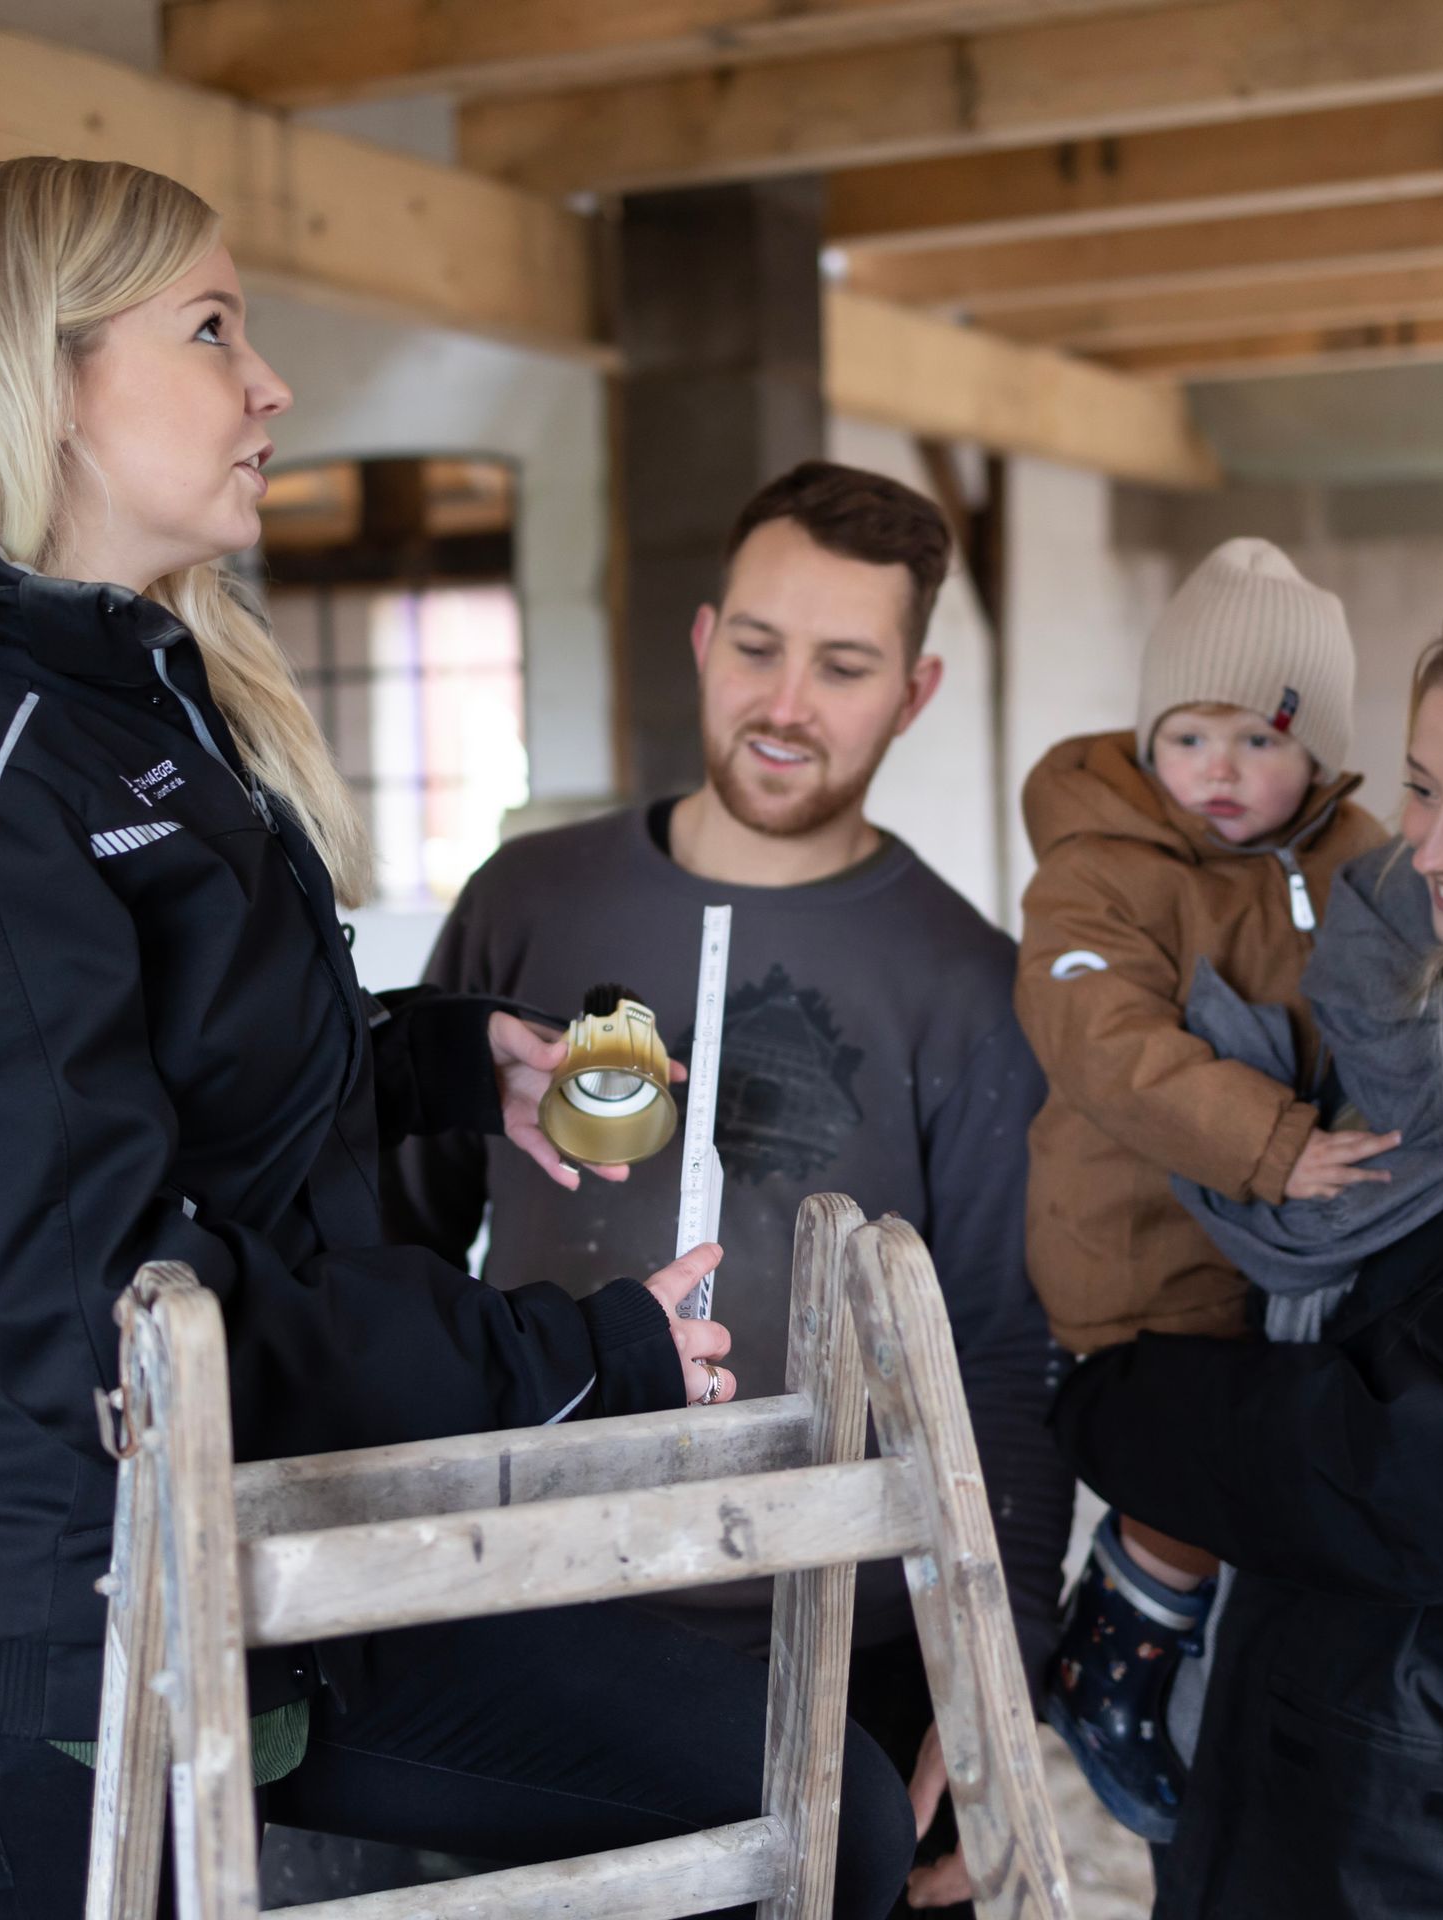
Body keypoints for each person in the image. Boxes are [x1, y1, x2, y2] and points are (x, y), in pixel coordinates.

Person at [0, 157, 913, 1919]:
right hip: (60, 1651)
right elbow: (107, 1317)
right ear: (41, 370)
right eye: (212, 328)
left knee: (809, 1790)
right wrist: (562, 1359)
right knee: (795, 1802)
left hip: (270, 1567)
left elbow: (191, 1085)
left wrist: (454, 1063)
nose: (270, 383)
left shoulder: (117, 694)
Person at [385, 459, 1071, 1914]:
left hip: (851, 1634)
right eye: (758, 647)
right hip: (534, 1595)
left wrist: (988, 1648)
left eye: (843, 667)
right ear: (703, 641)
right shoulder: (530, 898)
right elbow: (404, 1225)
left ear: (914, 691)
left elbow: (1005, 1344)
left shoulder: (965, 983)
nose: (785, 703)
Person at [1055, 570, 1443, 1918]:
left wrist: (1125, 1407)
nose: (1434, 848)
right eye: (1420, 788)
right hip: (1277, 1703)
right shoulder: (1392, 985)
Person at [1010, 538, 1390, 1843]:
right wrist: (1272, 1143)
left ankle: (1206, 1688)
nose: (1218, 772)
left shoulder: (1357, 861)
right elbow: (1104, 1042)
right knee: (1200, 1468)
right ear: (1144, 736)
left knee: (1289, 1469)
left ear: (1321, 754)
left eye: (1257, 739)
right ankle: (1105, 1666)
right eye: (1186, 735)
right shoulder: (1100, 868)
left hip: (1289, 1250)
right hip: (1138, 1240)